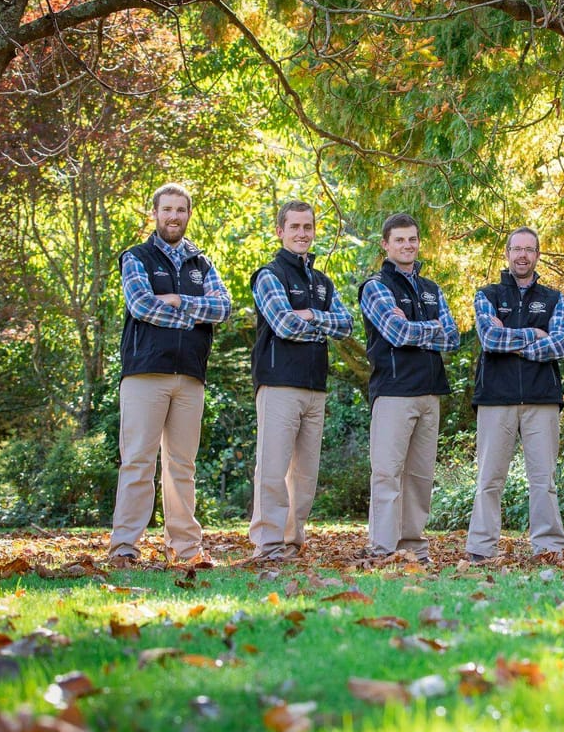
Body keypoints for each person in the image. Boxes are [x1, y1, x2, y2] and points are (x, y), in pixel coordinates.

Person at [109, 182, 231, 564]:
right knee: (138, 461)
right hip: (146, 373)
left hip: (191, 376)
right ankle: (125, 546)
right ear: (155, 214)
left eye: (181, 210)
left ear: (188, 214)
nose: (174, 216)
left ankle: (186, 548)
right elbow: (142, 306)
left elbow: (223, 308)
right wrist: (195, 313)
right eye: (167, 210)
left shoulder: (202, 263)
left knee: (182, 466)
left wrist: (178, 301)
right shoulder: (136, 257)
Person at [248, 201, 353, 562]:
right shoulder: (269, 275)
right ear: (280, 231)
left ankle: (292, 544)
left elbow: (346, 324)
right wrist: (318, 322)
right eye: (294, 227)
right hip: (278, 382)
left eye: (307, 227)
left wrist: (310, 315)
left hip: (314, 386)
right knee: (273, 469)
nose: (302, 233)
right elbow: (284, 325)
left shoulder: (324, 282)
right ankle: (268, 545)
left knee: (305, 476)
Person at [357, 213, 460, 562]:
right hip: (393, 391)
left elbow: (453, 336)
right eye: (399, 240)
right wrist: (431, 327)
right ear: (386, 244)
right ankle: (383, 549)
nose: (407, 245)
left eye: (412, 239)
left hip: (429, 393)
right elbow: (396, 334)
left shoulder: (432, 289)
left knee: (419, 476)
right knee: (387, 473)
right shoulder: (376, 286)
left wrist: (418, 327)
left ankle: (414, 546)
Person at [466, 227, 564, 561]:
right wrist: (535, 334)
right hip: (496, 397)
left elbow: (560, 344)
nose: (522, 255)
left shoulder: (554, 298)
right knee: (489, 479)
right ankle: (481, 548)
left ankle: (549, 547)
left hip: (542, 399)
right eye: (516, 249)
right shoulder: (487, 295)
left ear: (538, 255)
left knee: (544, 481)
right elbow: (490, 341)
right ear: (508, 253)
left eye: (529, 249)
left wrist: (512, 338)